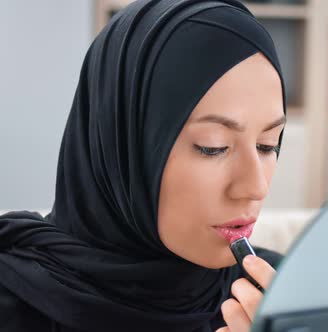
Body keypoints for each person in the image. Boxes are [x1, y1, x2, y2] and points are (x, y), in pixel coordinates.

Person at [0, 0, 287, 331]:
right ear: (123, 147)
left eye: (269, 145)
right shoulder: (13, 308)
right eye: (213, 147)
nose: (256, 186)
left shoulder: (278, 294)